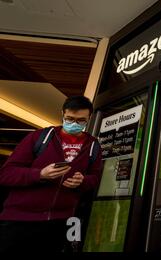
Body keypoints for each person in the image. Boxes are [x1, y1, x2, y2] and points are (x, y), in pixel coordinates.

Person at [0, 96, 103, 252]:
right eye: (70, 118)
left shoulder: (93, 145)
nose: (74, 124)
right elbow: (6, 174)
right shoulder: (39, 137)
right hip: (20, 220)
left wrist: (83, 181)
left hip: (62, 222)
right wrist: (40, 174)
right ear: (62, 114)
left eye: (81, 120)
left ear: (89, 118)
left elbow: (95, 177)